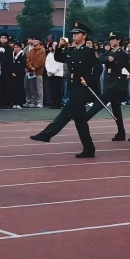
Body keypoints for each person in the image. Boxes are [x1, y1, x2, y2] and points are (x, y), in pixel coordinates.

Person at [29, 21, 101, 158]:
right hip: (73, 87)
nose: (74, 36)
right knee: (80, 122)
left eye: (77, 34)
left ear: (84, 35)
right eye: (73, 34)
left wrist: (88, 79)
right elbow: (59, 58)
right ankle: (89, 149)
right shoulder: (71, 50)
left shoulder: (89, 51)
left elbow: (98, 69)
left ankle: (46, 134)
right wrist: (60, 47)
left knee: (66, 113)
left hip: (82, 89)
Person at [82, 32, 130, 141]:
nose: (111, 41)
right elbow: (100, 59)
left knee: (101, 101)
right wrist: (107, 59)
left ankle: (84, 118)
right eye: (110, 39)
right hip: (110, 82)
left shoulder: (123, 54)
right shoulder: (109, 52)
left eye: (114, 39)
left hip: (118, 84)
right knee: (116, 109)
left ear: (119, 40)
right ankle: (121, 132)